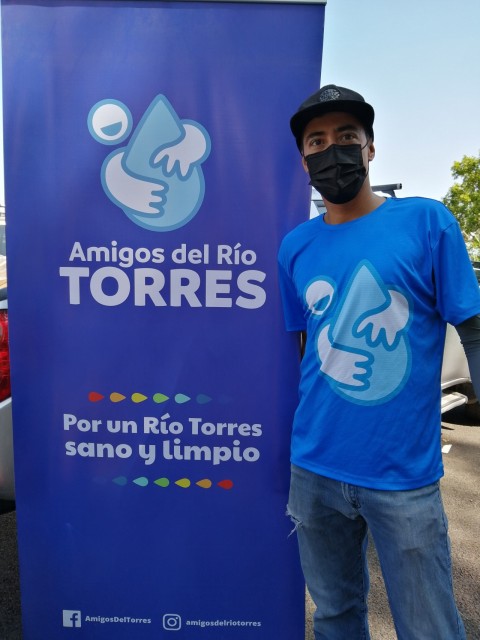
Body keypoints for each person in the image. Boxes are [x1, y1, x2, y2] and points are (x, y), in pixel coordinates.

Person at [278, 84, 480, 640]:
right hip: (314, 467)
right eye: (317, 141)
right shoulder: (294, 246)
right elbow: (302, 347)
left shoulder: (427, 222)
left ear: (370, 149)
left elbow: (475, 328)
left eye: (347, 136)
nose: (332, 150)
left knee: (429, 626)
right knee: (336, 618)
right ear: (304, 159)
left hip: (402, 477)